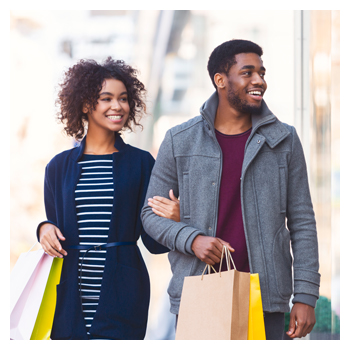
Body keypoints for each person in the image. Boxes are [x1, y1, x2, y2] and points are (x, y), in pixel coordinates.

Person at [142, 39, 320, 340]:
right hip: (199, 293)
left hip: (266, 298)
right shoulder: (179, 140)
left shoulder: (284, 140)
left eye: (261, 73)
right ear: (220, 80)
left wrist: (305, 295)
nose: (259, 81)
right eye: (248, 72)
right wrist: (192, 239)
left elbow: (303, 221)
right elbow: (150, 214)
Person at [36, 57, 173, 340]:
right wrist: (43, 229)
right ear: (86, 105)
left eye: (123, 99)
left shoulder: (142, 163)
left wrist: (175, 220)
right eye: (106, 98)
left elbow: (153, 243)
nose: (118, 106)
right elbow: (54, 226)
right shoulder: (58, 167)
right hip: (70, 292)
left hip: (123, 290)